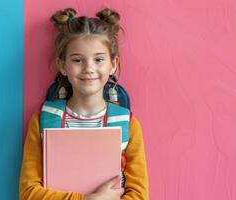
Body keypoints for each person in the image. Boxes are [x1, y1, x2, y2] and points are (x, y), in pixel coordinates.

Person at [19, 7, 149, 200]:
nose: (89, 68)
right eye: (78, 60)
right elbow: (28, 193)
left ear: (113, 64)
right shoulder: (43, 120)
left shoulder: (128, 124)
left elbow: (139, 195)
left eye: (98, 59)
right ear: (62, 65)